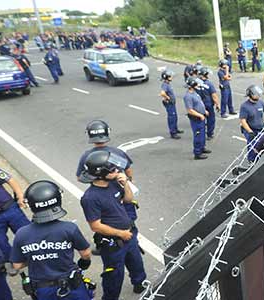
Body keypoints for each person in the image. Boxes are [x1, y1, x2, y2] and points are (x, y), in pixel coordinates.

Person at [80, 150, 147, 298]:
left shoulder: (114, 183)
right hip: (113, 243)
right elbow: (95, 226)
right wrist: (120, 234)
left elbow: (128, 200)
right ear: (100, 173)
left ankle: (139, 283)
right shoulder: (90, 198)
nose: (117, 171)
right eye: (113, 169)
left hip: (130, 235)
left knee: (136, 263)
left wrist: (126, 184)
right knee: (114, 275)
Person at [11, 180, 93, 300]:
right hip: (72, 285)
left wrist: (37, 256)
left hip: (43, 290)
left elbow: (17, 265)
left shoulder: (22, 234)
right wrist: (84, 262)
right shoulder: (69, 228)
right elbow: (85, 253)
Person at [239, 85, 264, 162]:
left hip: (260, 128)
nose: (258, 96)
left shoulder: (260, 103)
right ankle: (251, 161)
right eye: (257, 95)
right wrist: (250, 131)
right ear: (250, 95)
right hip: (250, 130)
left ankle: (259, 160)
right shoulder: (244, 106)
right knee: (253, 147)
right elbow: (243, 121)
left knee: (262, 144)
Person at [183, 77, 211, 160]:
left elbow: (199, 103)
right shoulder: (188, 96)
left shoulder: (195, 93)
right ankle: (197, 153)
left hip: (201, 117)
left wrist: (204, 111)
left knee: (202, 134)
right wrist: (200, 115)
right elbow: (190, 110)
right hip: (196, 119)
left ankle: (202, 148)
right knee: (198, 135)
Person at [159, 70, 183, 139]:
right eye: (170, 76)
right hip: (169, 104)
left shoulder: (168, 84)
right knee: (172, 118)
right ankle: (173, 133)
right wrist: (167, 98)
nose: (171, 77)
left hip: (172, 103)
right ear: (166, 77)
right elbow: (162, 93)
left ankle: (175, 129)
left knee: (175, 117)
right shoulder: (165, 85)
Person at [198, 67, 221, 137]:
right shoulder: (209, 84)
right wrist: (218, 104)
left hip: (199, 104)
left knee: (200, 119)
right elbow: (214, 95)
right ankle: (209, 133)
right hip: (208, 104)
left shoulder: (197, 83)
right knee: (211, 119)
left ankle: (200, 132)